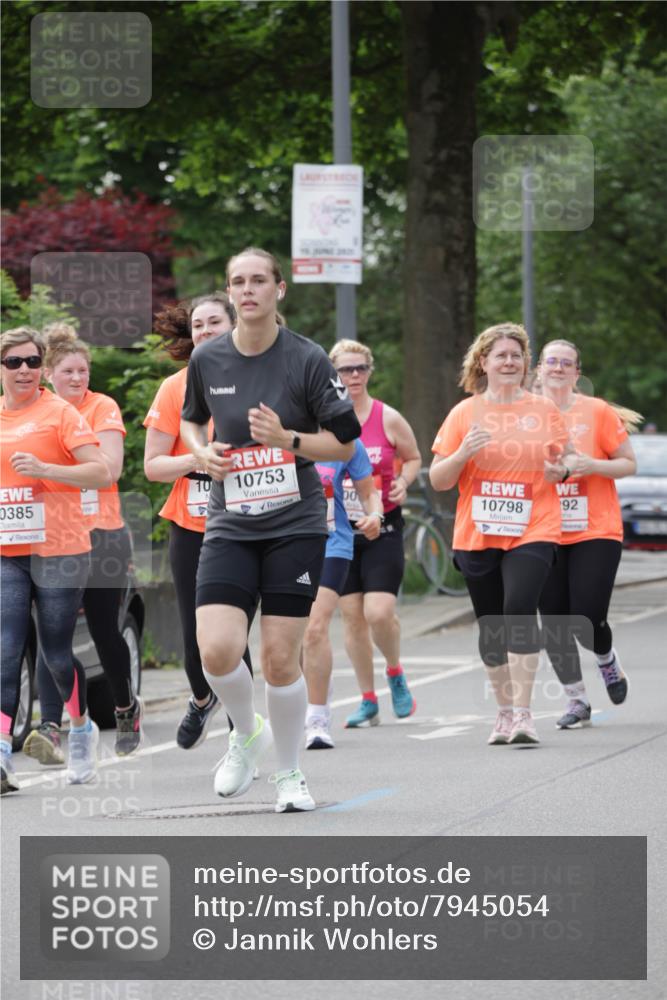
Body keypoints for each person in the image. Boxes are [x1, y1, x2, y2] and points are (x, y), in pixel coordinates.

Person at [180, 247, 360, 812]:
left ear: (279, 289)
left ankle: (289, 775)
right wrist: (201, 450)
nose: (248, 289)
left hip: (294, 525)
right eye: (238, 281)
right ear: (229, 292)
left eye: (259, 280)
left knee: (281, 658)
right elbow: (189, 420)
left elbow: (346, 442)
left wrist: (288, 441)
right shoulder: (207, 359)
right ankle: (244, 729)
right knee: (215, 651)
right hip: (231, 522)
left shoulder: (305, 360)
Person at [429, 322, 568, 746]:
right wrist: (461, 453)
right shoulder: (463, 414)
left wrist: (560, 470)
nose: (509, 362)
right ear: (483, 363)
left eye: (516, 355)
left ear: (526, 364)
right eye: (500, 355)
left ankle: (525, 714)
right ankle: (504, 712)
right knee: (492, 625)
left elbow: (566, 463)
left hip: (534, 526)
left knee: (520, 607)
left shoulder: (544, 410)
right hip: (478, 532)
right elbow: (438, 480)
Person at [21, 323, 141, 764]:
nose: (78, 378)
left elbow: (108, 467)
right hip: (52, 536)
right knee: (55, 632)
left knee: (107, 630)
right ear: (49, 372)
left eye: (84, 371)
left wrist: (51, 466)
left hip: (102, 533)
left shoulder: (101, 407)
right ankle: (52, 728)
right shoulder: (34, 412)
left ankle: (126, 709)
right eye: (69, 371)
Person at [1, 327, 110, 793]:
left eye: (31, 361)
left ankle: (81, 729)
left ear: (42, 367)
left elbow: (102, 470)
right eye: (13, 362)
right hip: (8, 549)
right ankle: (2, 756)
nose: (23, 370)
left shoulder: (60, 413)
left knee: (56, 653)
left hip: (61, 547)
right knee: (5, 650)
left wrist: (47, 470)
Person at [144, 292, 253, 749]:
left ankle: (240, 739)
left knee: (236, 637)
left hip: (249, 525)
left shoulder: (261, 376)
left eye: (213, 323)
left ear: (232, 325)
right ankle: (203, 698)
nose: (204, 331)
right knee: (195, 645)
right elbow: (153, 467)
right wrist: (200, 459)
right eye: (197, 325)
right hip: (191, 528)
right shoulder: (175, 387)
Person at [533, 339, 638, 728]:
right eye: (551, 362)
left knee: (588, 614)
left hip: (595, 527)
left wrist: (590, 464)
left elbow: (629, 464)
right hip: (543, 529)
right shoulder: (523, 414)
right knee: (555, 621)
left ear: (577, 373)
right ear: (539, 369)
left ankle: (607, 660)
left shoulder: (597, 412)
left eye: (566, 363)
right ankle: (576, 701)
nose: (558, 368)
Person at [328, 339, 421, 728]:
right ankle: (368, 699)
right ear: (333, 374)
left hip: (381, 526)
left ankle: (395, 672)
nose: (352, 376)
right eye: (345, 370)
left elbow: (414, 457)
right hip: (339, 531)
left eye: (359, 369)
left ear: (369, 372)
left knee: (378, 612)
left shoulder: (388, 418)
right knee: (352, 618)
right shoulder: (324, 420)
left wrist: (402, 480)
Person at [302, 439, 383, 749]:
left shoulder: (344, 442)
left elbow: (368, 493)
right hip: (285, 547)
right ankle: (317, 682)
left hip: (331, 542)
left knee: (314, 628)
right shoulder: (275, 430)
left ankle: (317, 718)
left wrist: (375, 516)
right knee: (291, 638)